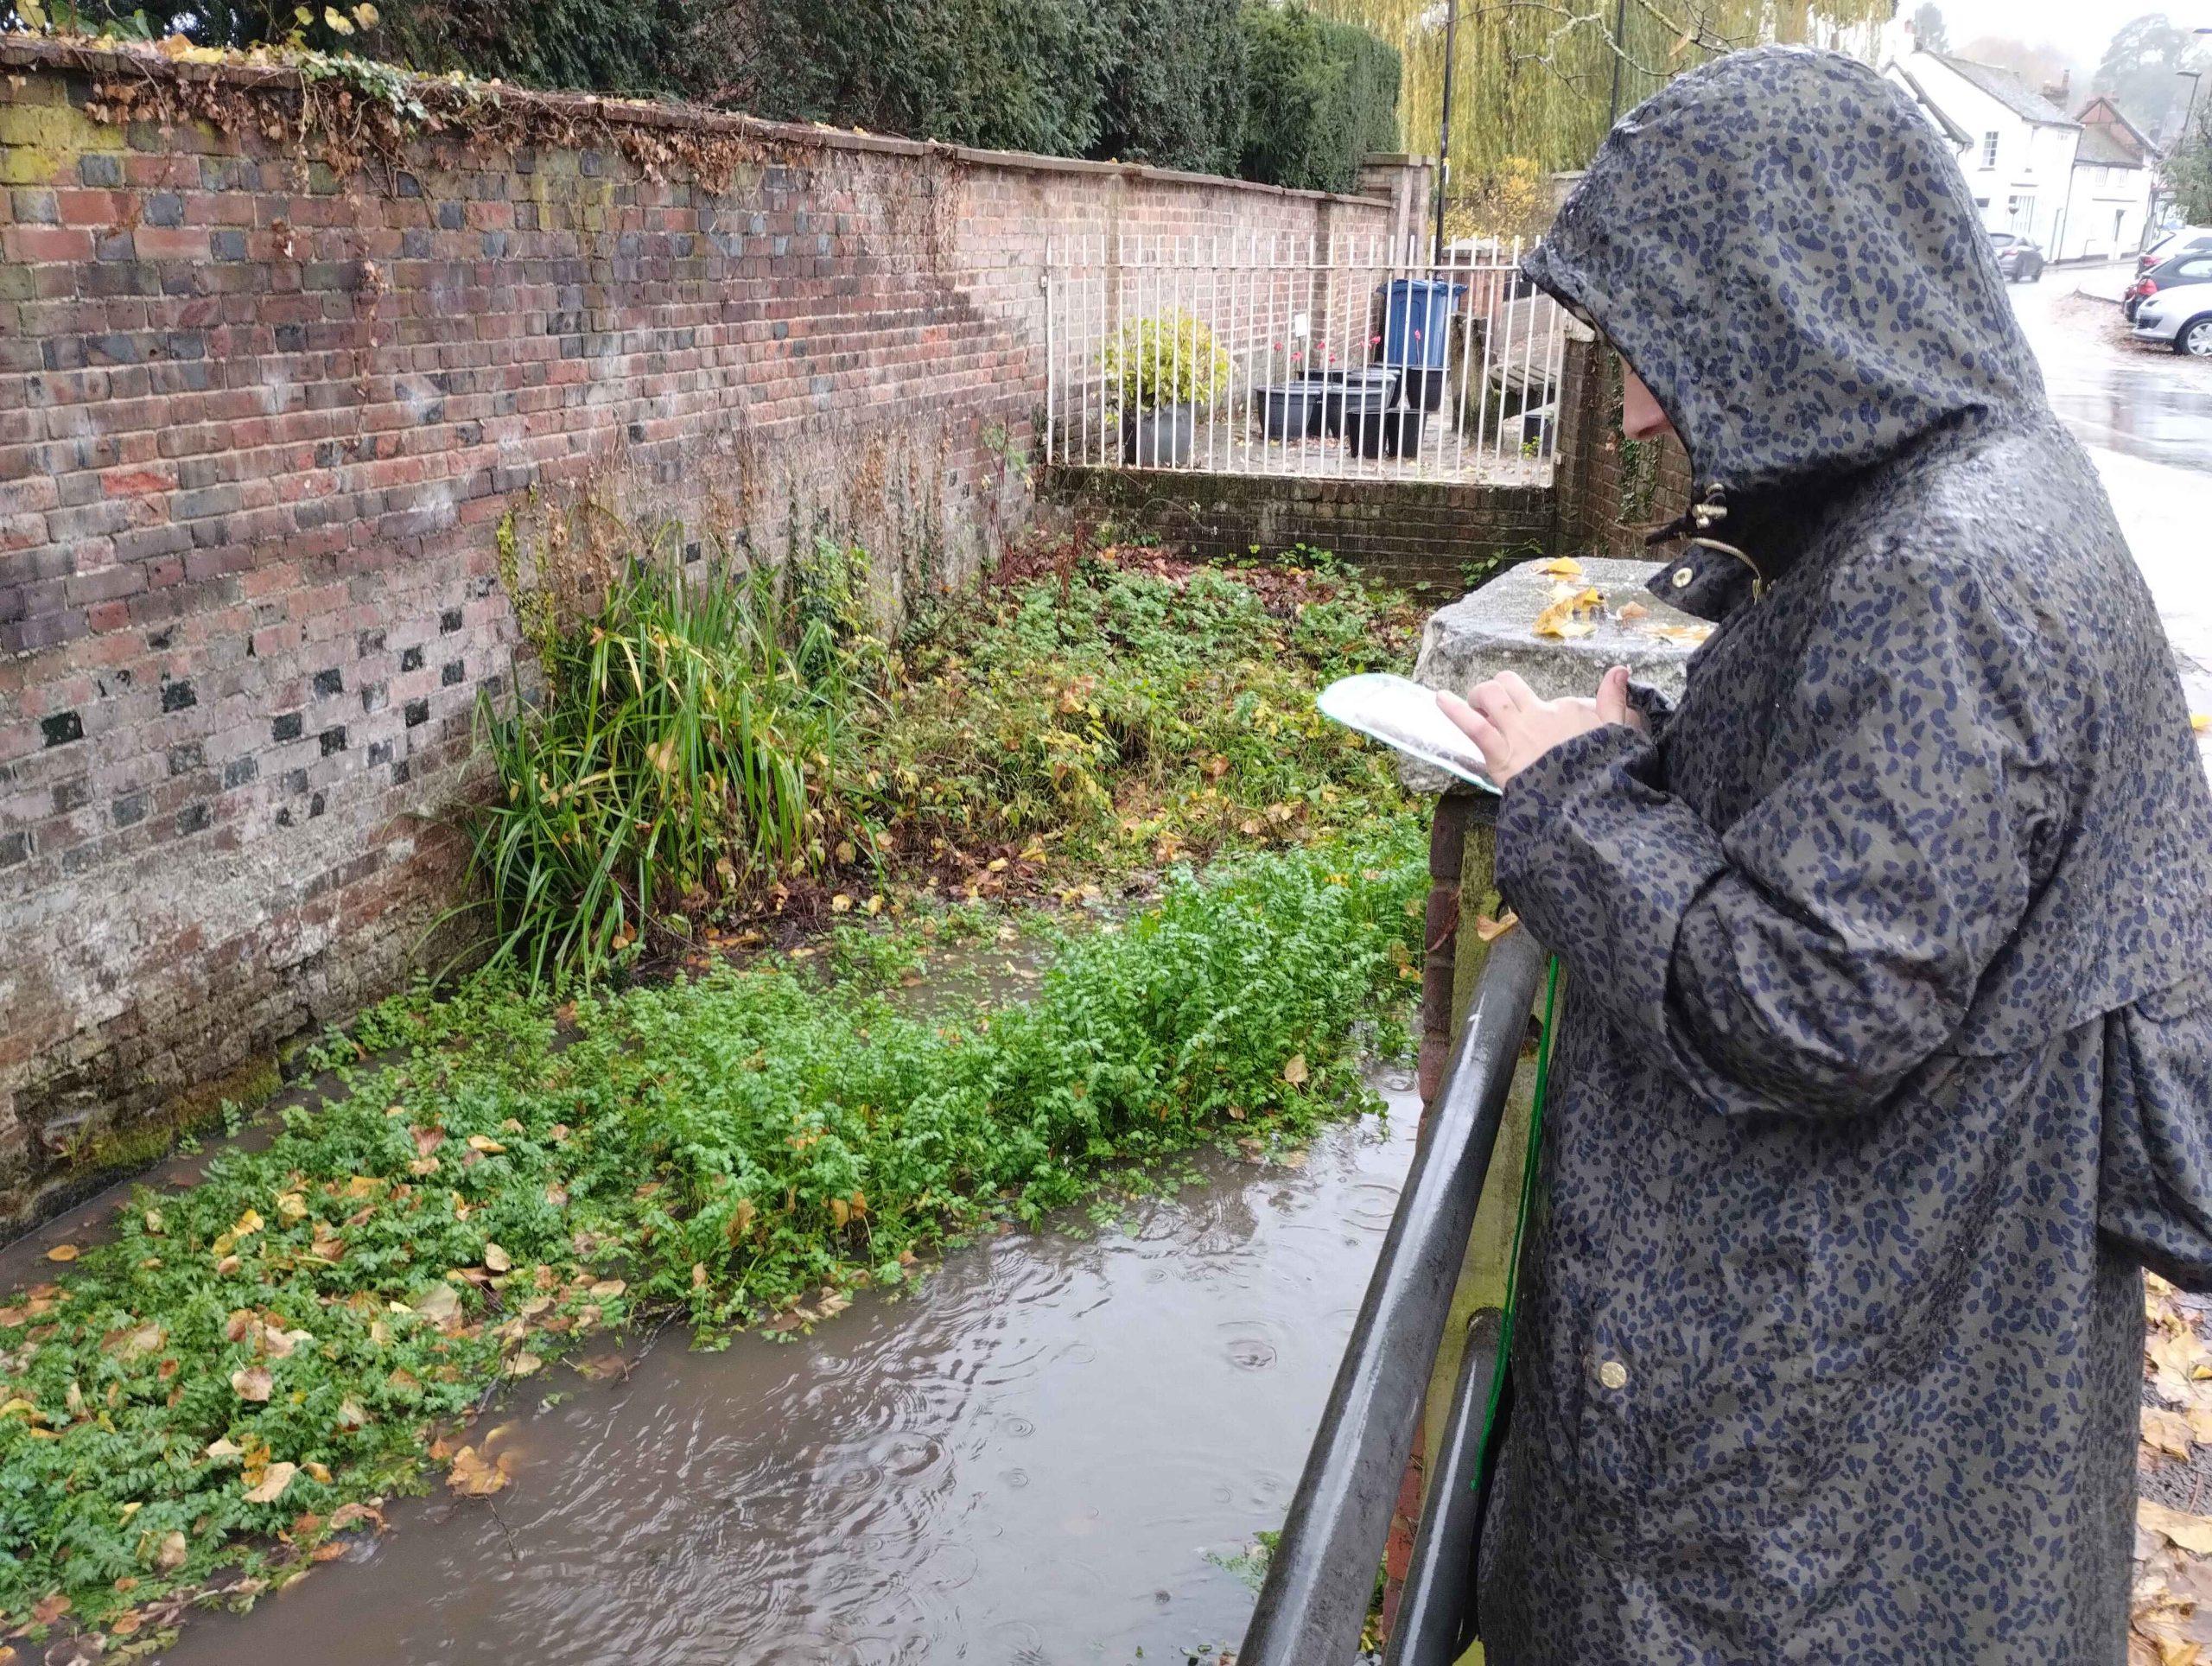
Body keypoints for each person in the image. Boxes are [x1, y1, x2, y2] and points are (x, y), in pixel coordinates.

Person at [1436, 45, 2212, 1663]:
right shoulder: (1965, 501)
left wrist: (1572, 801)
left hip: (1839, 1503)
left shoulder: (1951, 577)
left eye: (1661, 344)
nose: (1642, 402)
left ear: (1792, 300)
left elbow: (1806, 1001)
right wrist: (1674, 750)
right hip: (1913, 1384)